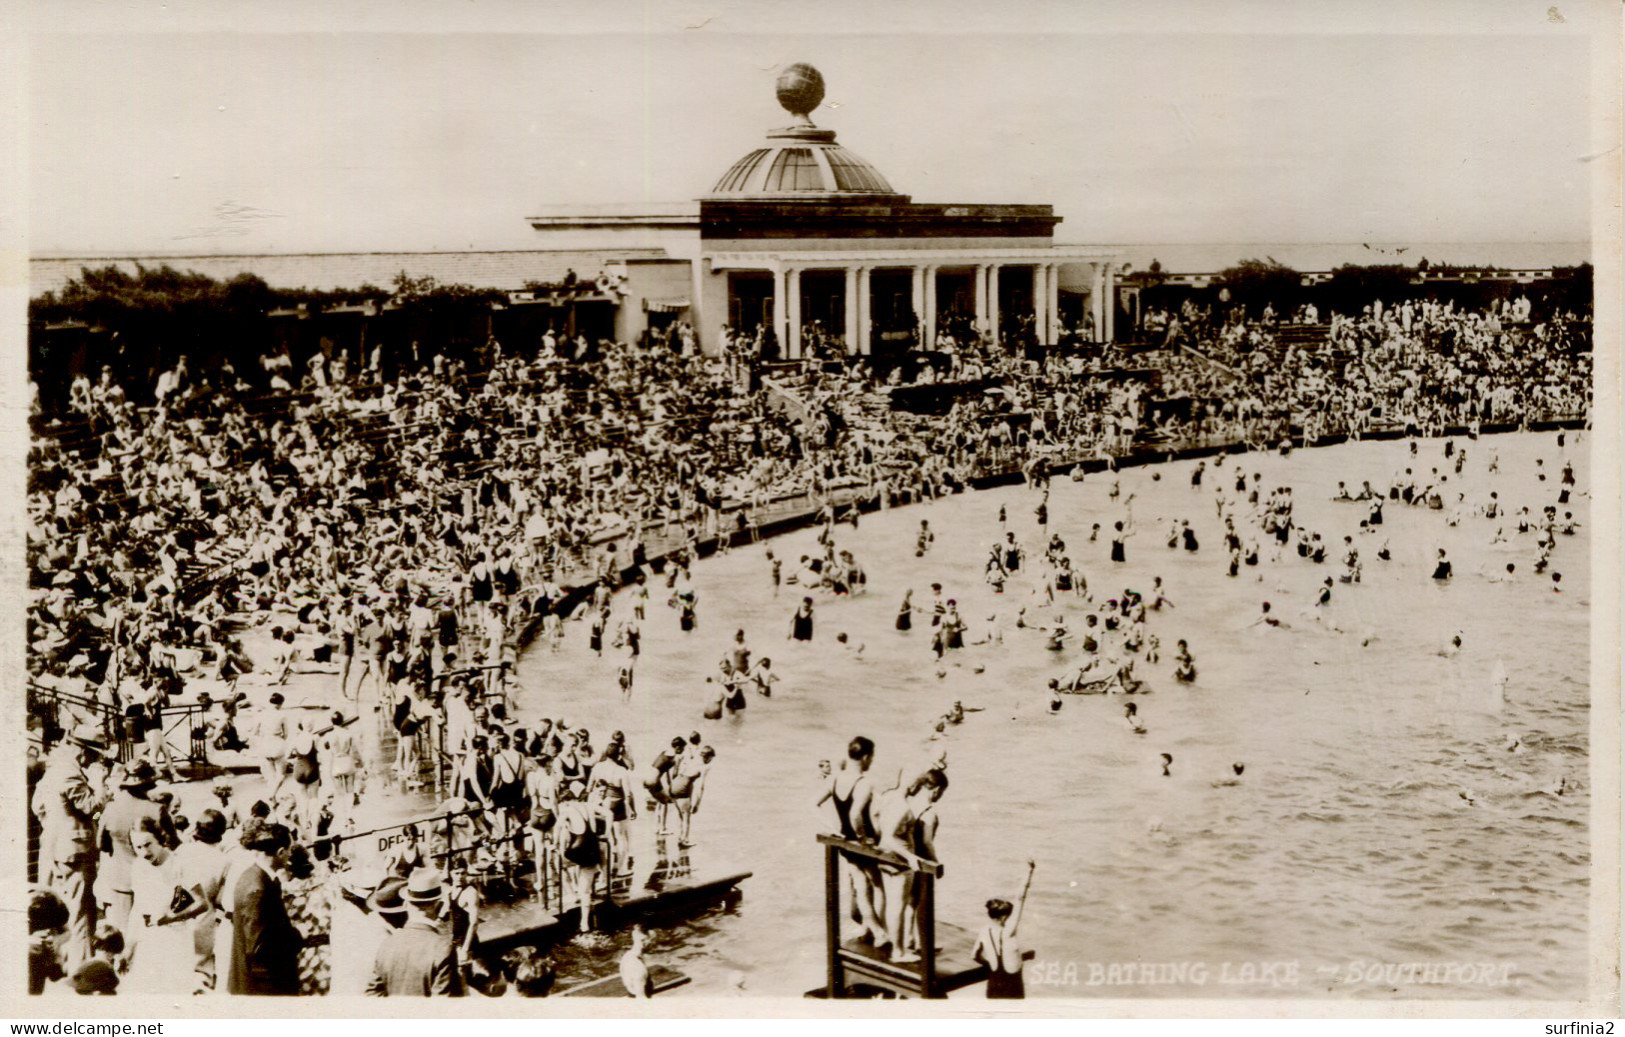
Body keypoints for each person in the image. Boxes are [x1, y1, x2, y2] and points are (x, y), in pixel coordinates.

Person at [874, 768, 948, 963]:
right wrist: (937, 864)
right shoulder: (929, 813)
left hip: (891, 858)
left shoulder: (908, 804)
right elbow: (927, 843)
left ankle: (908, 939)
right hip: (913, 861)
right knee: (916, 903)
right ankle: (909, 945)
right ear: (937, 790)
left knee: (906, 903)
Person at [227, 820, 302, 995]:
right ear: (281, 852)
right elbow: (260, 948)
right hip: (264, 987)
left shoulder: (252, 875)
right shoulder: (258, 888)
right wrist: (296, 937)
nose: (291, 854)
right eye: (289, 850)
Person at [366, 868, 464, 996]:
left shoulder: (387, 945)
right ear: (439, 906)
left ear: (406, 904)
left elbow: (372, 995)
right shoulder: (443, 948)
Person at [973, 860, 1035, 999]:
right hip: (1012, 985)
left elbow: (974, 955)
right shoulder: (1008, 931)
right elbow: (1020, 898)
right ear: (1002, 918)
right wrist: (1029, 872)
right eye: (1009, 916)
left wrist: (988, 962)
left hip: (994, 982)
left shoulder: (984, 931)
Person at [620, 925, 653, 998]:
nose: (650, 944)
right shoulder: (636, 965)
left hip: (632, 960)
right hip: (633, 964)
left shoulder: (628, 958)